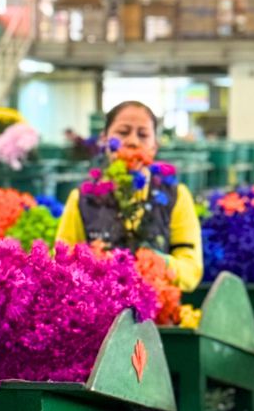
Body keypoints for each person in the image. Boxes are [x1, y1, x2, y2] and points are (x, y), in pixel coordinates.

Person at [56, 101, 204, 292]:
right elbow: (62, 264)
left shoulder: (176, 196)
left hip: (158, 317)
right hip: (101, 315)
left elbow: (191, 270)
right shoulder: (82, 198)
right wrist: (97, 268)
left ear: (154, 146)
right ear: (104, 140)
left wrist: (160, 264)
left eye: (143, 135)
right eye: (123, 132)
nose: (133, 141)